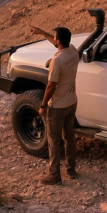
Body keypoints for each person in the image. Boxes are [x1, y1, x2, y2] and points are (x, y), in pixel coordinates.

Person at [28, 24, 79, 185]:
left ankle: (55, 175)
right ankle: (71, 169)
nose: (53, 38)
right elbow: (55, 41)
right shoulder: (73, 51)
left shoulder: (56, 61)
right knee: (69, 136)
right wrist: (42, 32)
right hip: (72, 102)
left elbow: (51, 86)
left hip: (57, 106)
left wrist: (43, 105)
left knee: (54, 140)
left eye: (55, 36)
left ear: (58, 41)